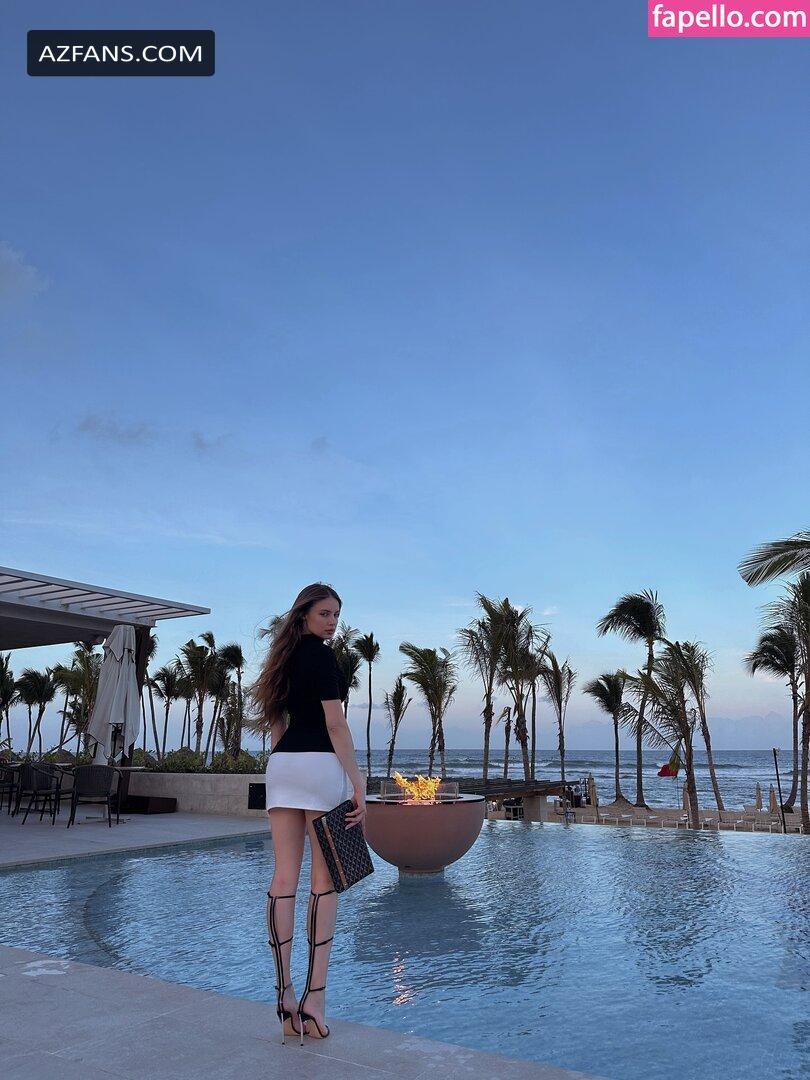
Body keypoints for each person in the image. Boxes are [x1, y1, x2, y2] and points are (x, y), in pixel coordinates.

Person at [254, 583, 366, 1045]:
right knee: (325, 883)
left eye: (336, 614)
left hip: (282, 767)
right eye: (325, 613)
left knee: (283, 878)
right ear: (304, 614)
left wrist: (286, 761)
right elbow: (335, 724)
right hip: (320, 767)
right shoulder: (322, 656)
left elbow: (277, 723)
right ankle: (314, 1000)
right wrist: (358, 783)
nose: (332, 622)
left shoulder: (280, 659)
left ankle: (283, 995)